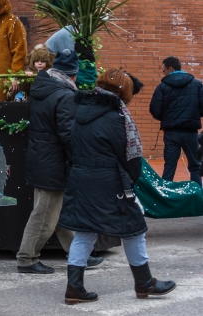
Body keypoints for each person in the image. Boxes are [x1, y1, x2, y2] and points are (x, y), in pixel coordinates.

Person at [59, 69, 176, 304]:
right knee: (134, 229)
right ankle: (144, 283)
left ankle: (74, 288)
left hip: (81, 179)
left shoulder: (80, 111)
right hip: (109, 181)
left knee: (84, 232)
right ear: (124, 92)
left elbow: (72, 145)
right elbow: (129, 156)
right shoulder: (116, 116)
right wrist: (133, 177)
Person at [16, 49, 103, 274]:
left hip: (42, 157)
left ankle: (78, 253)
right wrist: (80, 157)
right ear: (72, 75)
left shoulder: (42, 89)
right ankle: (27, 258)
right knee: (44, 214)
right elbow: (68, 133)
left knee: (57, 210)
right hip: (53, 161)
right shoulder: (64, 95)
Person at [149, 56, 203, 185]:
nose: (163, 73)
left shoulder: (162, 87)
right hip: (191, 132)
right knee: (195, 166)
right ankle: (198, 198)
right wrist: (193, 115)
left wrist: (167, 118)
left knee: (169, 166)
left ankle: (166, 199)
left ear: (170, 68)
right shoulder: (196, 84)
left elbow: (155, 109)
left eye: (164, 70)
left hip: (171, 132)